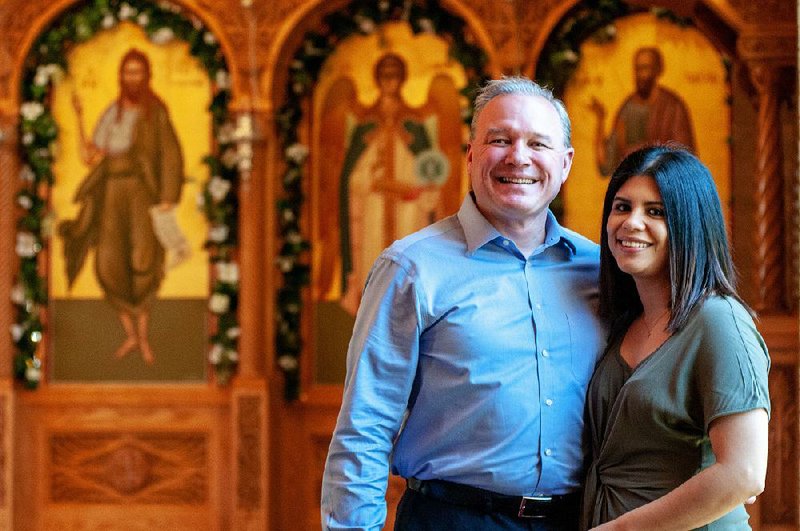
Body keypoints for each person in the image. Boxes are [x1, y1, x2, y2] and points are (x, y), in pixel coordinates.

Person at [321, 76, 606, 530]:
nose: (519, 156)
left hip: (580, 519)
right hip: (453, 519)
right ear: (471, 154)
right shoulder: (411, 268)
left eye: (538, 143)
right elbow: (365, 427)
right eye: (500, 139)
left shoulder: (598, 269)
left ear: (566, 163)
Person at [581, 145, 770, 529]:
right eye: (622, 207)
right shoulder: (623, 320)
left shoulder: (719, 320)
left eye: (656, 212)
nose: (631, 223)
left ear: (691, 225)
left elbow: (745, 473)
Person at [59, 48, 184, 365]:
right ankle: (132, 335)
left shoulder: (155, 113)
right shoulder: (111, 113)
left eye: (137, 72)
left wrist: (168, 194)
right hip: (111, 192)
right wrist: (77, 118)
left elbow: (170, 153)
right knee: (109, 261)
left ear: (146, 76)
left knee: (143, 259)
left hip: (141, 192)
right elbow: (90, 156)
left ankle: (142, 336)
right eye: (127, 72)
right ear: (121, 77)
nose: (132, 78)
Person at [318, 53, 461, 315]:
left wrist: (416, 188)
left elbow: (431, 175)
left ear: (403, 79)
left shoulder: (415, 123)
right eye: (385, 76)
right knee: (373, 272)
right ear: (378, 79)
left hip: (410, 211)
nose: (390, 82)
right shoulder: (364, 124)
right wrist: (372, 180)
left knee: (410, 272)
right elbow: (350, 179)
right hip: (371, 211)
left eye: (395, 76)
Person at [589, 47, 695, 176]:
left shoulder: (673, 107)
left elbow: (686, 157)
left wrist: (642, 151)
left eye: (646, 68)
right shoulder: (627, 109)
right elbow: (607, 163)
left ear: (658, 70)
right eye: (638, 69)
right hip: (632, 188)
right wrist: (600, 120)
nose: (640, 75)